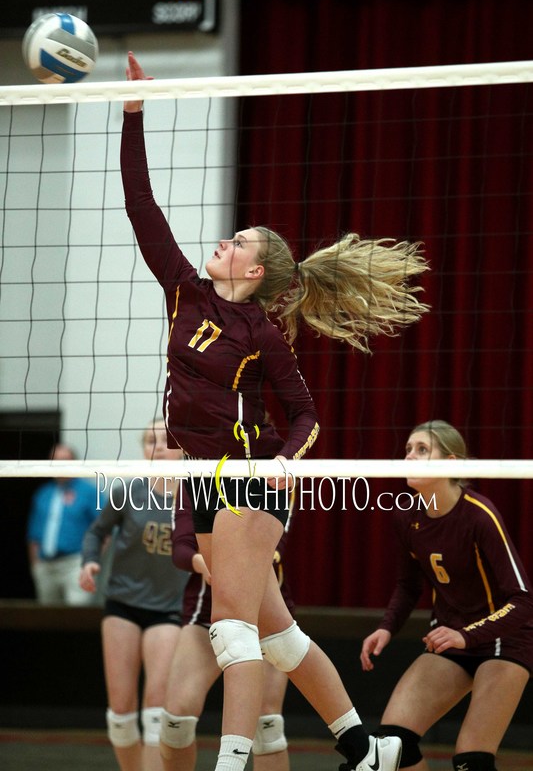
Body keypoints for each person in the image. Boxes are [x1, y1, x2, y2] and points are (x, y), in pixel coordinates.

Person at [121, 50, 430, 771]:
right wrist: (133, 116)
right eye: (229, 239)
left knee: (233, 632)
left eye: (238, 244)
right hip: (203, 474)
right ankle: (364, 747)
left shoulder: (261, 333)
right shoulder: (184, 290)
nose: (222, 242)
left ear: (254, 272)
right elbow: (141, 208)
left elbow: (307, 415)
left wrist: (284, 463)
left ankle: (231, 764)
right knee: (278, 636)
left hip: (247, 476)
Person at [360, 420, 533, 771]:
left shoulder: (479, 516)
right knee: (390, 746)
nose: (410, 457)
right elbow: (410, 585)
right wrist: (387, 627)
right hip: (452, 638)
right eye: (408, 449)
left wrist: (465, 635)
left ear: (451, 462)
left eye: (422, 450)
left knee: (470, 760)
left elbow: (524, 600)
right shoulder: (406, 516)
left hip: (504, 640)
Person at [159, 486, 295, 771]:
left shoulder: (271, 474)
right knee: (175, 722)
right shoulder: (194, 479)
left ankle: (356, 738)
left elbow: (274, 547)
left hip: (264, 617)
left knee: (267, 726)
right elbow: (181, 547)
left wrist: (229, 562)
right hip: (207, 614)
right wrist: (203, 562)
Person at [79, 419, 189, 771]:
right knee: (121, 716)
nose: (155, 446)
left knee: (156, 711)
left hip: (169, 610)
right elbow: (96, 533)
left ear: (182, 448)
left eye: (163, 440)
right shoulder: (128, 490)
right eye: (149, 440)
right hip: (123, 605)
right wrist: (90, 563)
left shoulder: (197, 498)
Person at [27, 443, 99, 605]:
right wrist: (36, 566)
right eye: (56, 460)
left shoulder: (89, 492)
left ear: (74, 462)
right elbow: (33, 535)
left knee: (76, 619)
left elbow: (104, 530)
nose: (60, 464)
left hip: (75, 564)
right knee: (47, 620)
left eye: (65, 460)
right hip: (45, 566)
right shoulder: (43, 493)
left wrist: (91, 561)